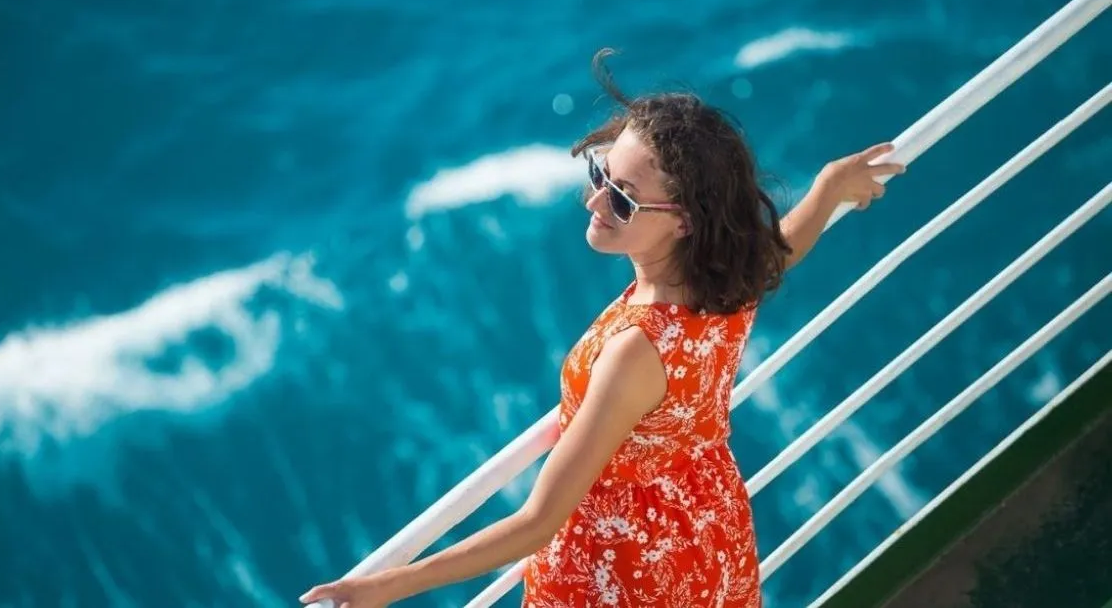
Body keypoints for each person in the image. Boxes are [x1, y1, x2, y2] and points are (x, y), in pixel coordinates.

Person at [300, 50, 904, 608]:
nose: (595, 204)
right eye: (600, 176)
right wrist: (825, 192)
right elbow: (778, 253)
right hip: (704, 539)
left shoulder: (636, 353)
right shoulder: (724, 281)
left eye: (622, 200)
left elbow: (538, 523)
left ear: (685, 222)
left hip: (625, 574)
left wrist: (382, 587)